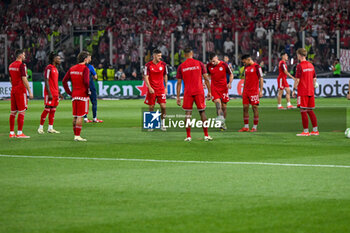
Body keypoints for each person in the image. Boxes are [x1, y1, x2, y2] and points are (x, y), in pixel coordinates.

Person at [176, 47, 212, 141]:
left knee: (188, 113)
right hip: (199, 91)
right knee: (202, 112)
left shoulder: (181, 66)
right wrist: (209, 92)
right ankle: (206, 135)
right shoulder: (199, 63)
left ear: (184, 55)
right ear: (192, 54)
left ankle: (188, 136)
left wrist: (178, 97)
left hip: (188, 92)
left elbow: (179, 83)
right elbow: (206, 78)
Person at [62, 51, 90, 142]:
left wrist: (69, 92)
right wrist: (88, 91)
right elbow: (86, 82)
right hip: (82, 95)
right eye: (89, 58)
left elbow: (64, 81)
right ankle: (77, 136)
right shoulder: (85, 69)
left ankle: (75, 134)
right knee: (80, 116)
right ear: (85, 59)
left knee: (75, 116)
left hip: (74, 95)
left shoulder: (72, 68)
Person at [292, 48, 319, 136]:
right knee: (310, 110)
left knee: (303, 110)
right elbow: (314, 78)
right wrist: (313, 86)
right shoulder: (311, 65)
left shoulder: (299, 66)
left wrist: (294, 90)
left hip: (303, 91)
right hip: (310, 91)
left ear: (299, 55)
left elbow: (297, 79)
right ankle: (315, 130)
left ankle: (306, 131)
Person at [9, 49, 33, 138]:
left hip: (13, 90)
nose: (25, 56)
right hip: (20, 90)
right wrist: (30, 91)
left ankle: (12, 133)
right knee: (22, 111)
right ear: (20, 56)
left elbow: (10, 79)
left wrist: (14, 86)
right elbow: (24, 79)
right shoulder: (22, 65)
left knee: (13, 112)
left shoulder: (10, 65)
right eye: (23, 55)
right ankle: (19, 133)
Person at [207, 52, 234, 130]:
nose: (212, 63)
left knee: (224, 107)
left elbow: (231, 74)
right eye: (211, 61)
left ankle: (223, 122)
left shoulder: (224, 65)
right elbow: (208, 75)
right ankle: (221, 123)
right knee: (218, 105)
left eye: (213, 61)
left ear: (216, 58)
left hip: (224, 88)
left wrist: (230, 83)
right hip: (214, 88)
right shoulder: (209, 66)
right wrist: (205, 82)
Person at [38, 51, 63, 134]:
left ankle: (50, 128)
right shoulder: (49, 67)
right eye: (58, 59)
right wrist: (49, 93)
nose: (60, 60)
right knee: (47, 109)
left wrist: (59, 93)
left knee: (53, 110)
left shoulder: (56, 69)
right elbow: (46, 79)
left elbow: (55, 82)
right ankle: (40, 128)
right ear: (54, 59)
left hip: (55, 93)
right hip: (50, 92)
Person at [144, 49, 168, 131]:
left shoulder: (164, 64)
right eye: (158, 56)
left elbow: (165, 75)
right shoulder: (148, 65)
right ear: (154, 56)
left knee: (163, 106)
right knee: (151, 106)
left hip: (161, 89)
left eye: (160, 56)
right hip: (152, 89)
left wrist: (166, 87)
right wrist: (149, 87)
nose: (160, 57)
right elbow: (146, 77)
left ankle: (163, 123)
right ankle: (151, 124)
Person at [238, 54, 263, 132]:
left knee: (254, 108)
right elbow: (245, 78)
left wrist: (260, 91)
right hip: (246, 91)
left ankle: (254, 127)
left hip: (254, 91)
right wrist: (243, 90)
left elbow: (261, 79)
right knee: (245, 108)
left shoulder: (257, 67)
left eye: (244, 62)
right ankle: (246, 127)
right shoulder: (246, 67)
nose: (244, 64)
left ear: (248, 59)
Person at [84, 58, 103, 123]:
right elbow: (95, 77)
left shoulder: (80, 67)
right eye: (89, 57)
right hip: (91, 85)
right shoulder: (90, 67)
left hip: (83, 86)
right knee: (94, 102)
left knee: (85, 102)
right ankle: (94, 118)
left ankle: (85, 118)